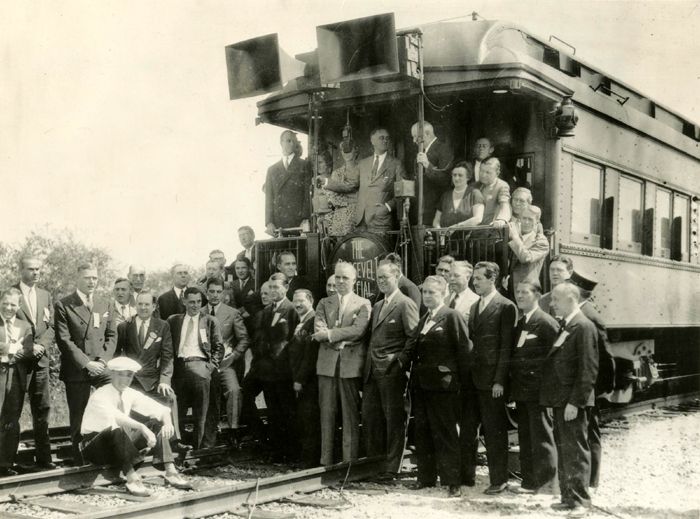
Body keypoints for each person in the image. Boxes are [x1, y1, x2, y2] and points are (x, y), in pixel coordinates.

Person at [80, 357, 189, 496]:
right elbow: (117, 417)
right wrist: (142, 428)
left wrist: (167, 423)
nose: (125, 380)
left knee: (156, 423)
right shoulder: (100, 394)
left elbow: (161, 410)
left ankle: (170, 470)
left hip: (118, 446)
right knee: (116, 429)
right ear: (112, 373)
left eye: (129, 375)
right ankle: (131, 479)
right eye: (121, 374)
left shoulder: (129, 393)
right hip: (96, 447)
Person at [408, 276, 471, 497]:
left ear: (443, 294)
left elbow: (464, 351)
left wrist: (462, 385)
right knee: (423, 432)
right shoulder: (424, 317)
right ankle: (425, 478)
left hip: (444, 386)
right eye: (424, 292)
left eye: (432, 292)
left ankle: (453, 481)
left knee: (445, 433)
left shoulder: (452, 316)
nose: (427, 296)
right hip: (423, 385)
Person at [541, 283, 598, 517]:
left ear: (572, 299)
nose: (552, 303)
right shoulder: (569, 324)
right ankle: (568, 497)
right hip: (561, 400)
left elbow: (588, 370)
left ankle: (581, 501)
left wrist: (575, 402)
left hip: (572, 402)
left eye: (556, 299)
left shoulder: (583, 326)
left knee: (575, 450)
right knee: (566, 449)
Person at [461, 261, 517, 493]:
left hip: (491, 381)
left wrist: (499, 381)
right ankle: (466, 477)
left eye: (478, 279)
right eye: (474, 279)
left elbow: (506, 348)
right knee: (467, 429)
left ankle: (499, 480)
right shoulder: (475, 307)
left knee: (494, 432)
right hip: (473, 379)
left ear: (492, 279)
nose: (474, 283)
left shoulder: (505, 306)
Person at [55, 263, 117, 464]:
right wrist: (86, 363)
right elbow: (64, 340)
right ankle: (79, 459)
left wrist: (102, 360)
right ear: (78, 278)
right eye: (87, 277)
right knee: (79, 415)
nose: (92, 281)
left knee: (112, 406)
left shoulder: (105, 303)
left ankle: (110, 451)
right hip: (77, 369)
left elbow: (111, 335)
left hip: (101, 366)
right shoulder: (64, 304)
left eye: (95, 278)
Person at [363, 263, 419, 478]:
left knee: (394, 419)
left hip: (392, 371)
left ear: (397, 276)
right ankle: (374, 463)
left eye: (386, 277)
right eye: (378, 277)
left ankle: (391, 467)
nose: (381, 281)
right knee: (371, 417)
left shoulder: (405, 304)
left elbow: (413, 337)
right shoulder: (377, 305)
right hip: (372, 371)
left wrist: (399, 362)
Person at [313, 262, 371, 466]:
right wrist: (338, 337)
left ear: (354, 280)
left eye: (345, 278)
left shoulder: (363, 303)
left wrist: (330, 334)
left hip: (350, 366)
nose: (340, 281)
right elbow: (318, 330)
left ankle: (350, 461)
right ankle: (326, 459)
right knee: (326, 414)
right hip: (327, 367)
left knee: (350, 415)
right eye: (337, 277)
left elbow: (359, 330)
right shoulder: (323, 303)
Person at [567, 270, 616, 491]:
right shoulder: (579, 312)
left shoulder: (590, 317)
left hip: (588, 387)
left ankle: (592, 481)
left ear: (577, 291)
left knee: (590, 432)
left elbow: (605, 358)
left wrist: (602, 388)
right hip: (583, 385)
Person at [510, 281, 559, 494]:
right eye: (518, 292)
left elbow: (556, 360)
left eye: (525, 292)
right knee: (526, 437)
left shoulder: (545, 322)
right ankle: (529, 482)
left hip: (539, 392)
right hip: (523, 391)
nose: (520, 296)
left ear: (536, 296)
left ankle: (547, 485)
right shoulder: (522, 323)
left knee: (542, 438)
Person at [114, 291, 181, 442]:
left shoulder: (162, 326)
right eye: (140, 304)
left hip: (153, 380)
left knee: (170, 397)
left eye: (147, 304)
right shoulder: (124, 326)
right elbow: (117, 355)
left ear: (154, 307)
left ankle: (173, 442)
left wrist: (164, 380)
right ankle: (129, 446)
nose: (143, 308)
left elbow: (167, 356)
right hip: (131, 381)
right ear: (135, 305)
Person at [167, 287, 223, 449]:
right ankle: (178, 444)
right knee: (177, 406)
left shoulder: (210, 321)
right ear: (184, 301)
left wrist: (210, 367)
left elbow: (218, 348)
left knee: (203, 410)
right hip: (179, 367)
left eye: (198, 302)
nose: (195, 305)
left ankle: (202, 447)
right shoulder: (174, 320)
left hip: (201, 365)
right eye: (191, 302)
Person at [13, 256, 56, 470]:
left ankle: (44, 458)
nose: (36, 273)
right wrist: (29, 349)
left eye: (39, 269)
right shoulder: (10, 294)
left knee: (43, 409)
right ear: (21, 270)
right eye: (31, 269)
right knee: (12, 410)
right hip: (18, 362)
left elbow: (51, 326)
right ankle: (7, 460)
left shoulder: (45, 295)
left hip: (41, 361)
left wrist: (42, 346)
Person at [253, 273, 299, 462]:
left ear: (286, 288)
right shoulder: (267, 311)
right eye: (270, 288)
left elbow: (295, 342)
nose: (272, 291)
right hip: (268, 372)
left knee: (287, 412)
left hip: (285, 371)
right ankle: (275, 449)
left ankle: (290, 451)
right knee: (273, 411)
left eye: (276, 287)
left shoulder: (292, 310)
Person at [202, 277, 250, 448]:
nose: (215, 295)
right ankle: (207, 433)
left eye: (218, 292)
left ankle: (233, 430)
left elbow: (244, 339)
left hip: (225, 364)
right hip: (205, 364)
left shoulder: (232, 313)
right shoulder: (199, 313)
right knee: (206, 395)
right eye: (211, 291)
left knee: (234, 390)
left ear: (223, 293)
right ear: (206, 292)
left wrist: (233, 356)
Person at [0, 288, 36, 476]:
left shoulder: (25, 326)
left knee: (11, 420)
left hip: (15, 376)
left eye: (13, 304)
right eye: (5, 303)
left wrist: (12, 351)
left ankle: (5, 464)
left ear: (19, 306)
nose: (8, 307)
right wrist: (14, 346)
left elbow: (29, 349)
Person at [289, 289, 321, 468]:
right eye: (295, 301)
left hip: (309, 381)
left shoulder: (313, 320)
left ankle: (309, 461)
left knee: (309, 419)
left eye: (301, 301)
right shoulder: (301, 320)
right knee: (304, 418)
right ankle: (305, 458)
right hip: (301, 378)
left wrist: (300, 379)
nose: (297, 304)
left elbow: (310, 355)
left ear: (311, 301)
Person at [355, 128, 407, 233]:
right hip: (361, 222)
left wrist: (387, 207)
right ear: (372, 140)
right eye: (381, 138)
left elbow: (403, 192)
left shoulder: (396, 164)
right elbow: (351, 185)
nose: (385, 141)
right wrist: (327, 183)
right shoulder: (362, 163)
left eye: (387, 138)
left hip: (381, 222)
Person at [265, 130, 312, 235]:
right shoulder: (272, 170)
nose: (291, 144)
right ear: (281, 143)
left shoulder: (304, 165)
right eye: (288, 140)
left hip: (298, 221)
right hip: (278, 223)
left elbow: (307, 194)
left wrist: (305, 218)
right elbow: (269, 198)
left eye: (293, 141)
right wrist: (269, 222)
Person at [411, 121, 454, 225]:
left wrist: (427, 165)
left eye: (416, 137)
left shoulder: (443, 149)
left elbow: (446, 179)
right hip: (423, 208)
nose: (414, 141)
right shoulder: (423, 151)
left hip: (436, 208)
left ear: (428, 134)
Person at [318, 144, 359, 236]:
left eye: (349, 149)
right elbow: (334, 199)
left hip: (358, 218)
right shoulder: (337, 173)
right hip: (341, 219)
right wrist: (354, 199)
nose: (346, 153)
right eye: (343, 150)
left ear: (356, 150)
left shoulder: (363, 169)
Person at [507, 205, 550, 291]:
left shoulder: (541, 242)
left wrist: (515, 238)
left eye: (530, 219)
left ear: (537, 222)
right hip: (508, 289)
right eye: (524, 218)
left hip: (527, 291)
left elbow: (526, 258)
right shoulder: (514, 236)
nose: (526, 222)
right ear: (520, 219)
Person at [432, 162, 485, 228]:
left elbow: (478, 219)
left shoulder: (475, 193)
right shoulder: (445, 196)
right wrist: (440, 232)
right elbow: (436, 221)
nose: (456, 178)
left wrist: (457, 227)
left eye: (460, 175)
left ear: (468, 177)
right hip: (446, 237)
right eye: (454, 175)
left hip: (468, 237)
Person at [476, 157, 511, 226]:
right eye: (481, 171)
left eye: (488, 172)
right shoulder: (475, 185)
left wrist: (501, 220)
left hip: (490, 231)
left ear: (497, 173)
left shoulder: (502, 186)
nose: (483, 175)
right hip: (471, 230)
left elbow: (505, 205)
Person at [231, 257, 262, 334]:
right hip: (235, 326)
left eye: (243, 268)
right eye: (237, 268)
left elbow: (259, 305)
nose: (240, 271)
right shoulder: (232, 284)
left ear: (249, 268)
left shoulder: (256, 284)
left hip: (251, 325)